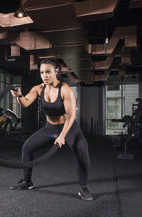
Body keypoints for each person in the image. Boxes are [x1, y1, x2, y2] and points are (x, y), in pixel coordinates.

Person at [9, 59, 93, 201]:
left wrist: (62, 136)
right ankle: (27, 181)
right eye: (42, 72)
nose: (45, 75)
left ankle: (83, 187)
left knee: (83, 154)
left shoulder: (65, 89)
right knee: (27, 147)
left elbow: (71, 115)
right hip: (51, 130)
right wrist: (19, 97)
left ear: (56, 71)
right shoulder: (39, 88)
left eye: (48, 72)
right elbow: (25, 103)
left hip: (69, 129)